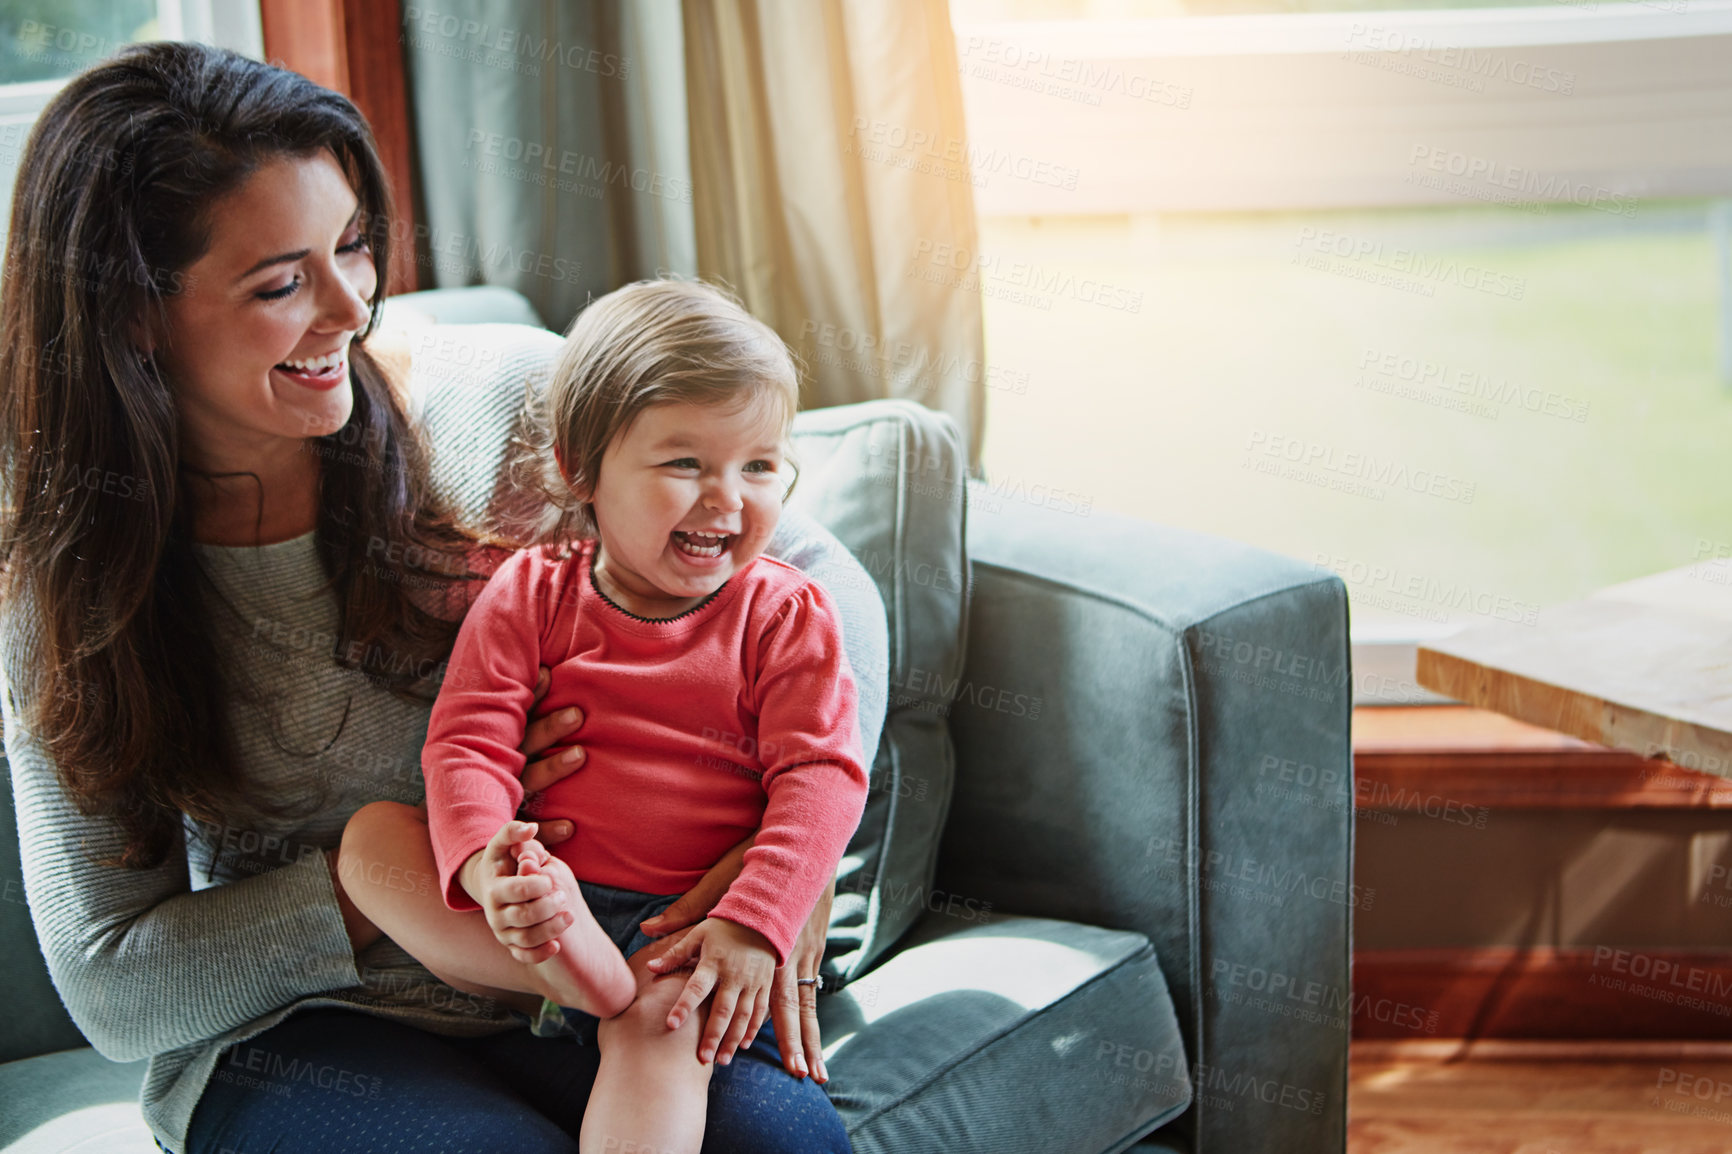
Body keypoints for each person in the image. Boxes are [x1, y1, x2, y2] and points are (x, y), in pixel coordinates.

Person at [0, 42, 885, 1154]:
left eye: (354, 247)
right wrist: (381, 876)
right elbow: (113, 985)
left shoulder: (502, 413)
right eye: (281, 283)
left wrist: (778, 876)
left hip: (617, 951)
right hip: (313, 1028)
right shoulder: (73, 588)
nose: (351, 307)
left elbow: (827, 589)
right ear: (135, 315)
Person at [342, 278, 870, 1154]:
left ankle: (605, 995)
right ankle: (573, 977)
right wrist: (487, 872)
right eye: (684, 464)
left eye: (760, 466)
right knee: (370, 845)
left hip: (689, 930)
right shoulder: (530, 591)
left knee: (656, 1032)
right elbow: (467, 741)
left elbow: (821, 777)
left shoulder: (784, 614)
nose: (727, 499)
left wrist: (754, 919)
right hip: (549, 916)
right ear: (578, 468)